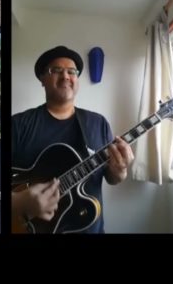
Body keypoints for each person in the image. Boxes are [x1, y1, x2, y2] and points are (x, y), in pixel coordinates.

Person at [11, 45, 134, 233]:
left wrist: (121, 171)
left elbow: (112, 178)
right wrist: (19, 202)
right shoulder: (18, 125)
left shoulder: (98, 123)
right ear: (42, 79)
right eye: (56, 70)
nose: (66, 76)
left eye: (72, 71)